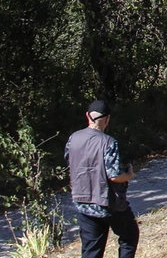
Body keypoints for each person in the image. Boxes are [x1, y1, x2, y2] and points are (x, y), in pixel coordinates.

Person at [65, 100, 139, 258]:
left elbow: (69, 161)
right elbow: (114, 176)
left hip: (82, 202)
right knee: (129, 236)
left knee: (91, 250)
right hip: (107, 203)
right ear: (107, 119)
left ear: (87, 116)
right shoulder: (108, 143)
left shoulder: (73, 139)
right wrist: (130, 174)